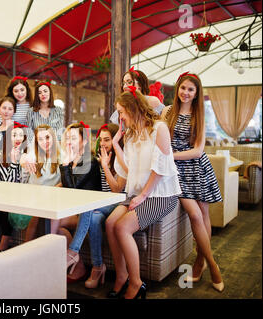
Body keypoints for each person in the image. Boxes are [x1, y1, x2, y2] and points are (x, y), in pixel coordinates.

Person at [105, 87, 181, 299]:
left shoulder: (159, 129)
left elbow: (160, 168)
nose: (120, 117)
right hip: (138, 191)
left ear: (132, 108)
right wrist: (115, 144)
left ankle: (137, 283)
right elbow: (129, 168)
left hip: (160, 194)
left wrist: (143, 196)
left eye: (121, 112)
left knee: (121, 228)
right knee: (110, 223)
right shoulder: (130, 135)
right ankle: (122, 276)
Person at [161, 72, 224, 292]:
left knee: (204, 214)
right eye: (183, 88)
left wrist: (170, 155)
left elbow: (198, 151)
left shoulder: (199, 114)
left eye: (191, 90)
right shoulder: (167, 111)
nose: (186, 93)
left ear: (196, 93)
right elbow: (159, 139)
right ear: (177, 88)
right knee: (195, 214)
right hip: (175, 172)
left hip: (196, 167)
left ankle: (200, 261)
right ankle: (213, 265)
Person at [65, 123, 126, 289]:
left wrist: (105, 166)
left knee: (89, 207)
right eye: (101, 140)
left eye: (108, 139)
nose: (104, 144)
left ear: (116, 140)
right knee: (93, 218)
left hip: (119, 203)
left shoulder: (121, 159)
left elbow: (117, 190)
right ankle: (98, 267)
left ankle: (73, 251)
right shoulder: (99, 159)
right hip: (102, 205)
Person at [59, 122, 102, 280]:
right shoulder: (74, 160)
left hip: (88, 211)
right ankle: (78, 266)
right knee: (56, 228)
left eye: (73, 138)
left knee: (56, 223)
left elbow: (73, 188)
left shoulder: (89, 161)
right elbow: (66, 186)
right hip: (75, 207)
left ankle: (74, 261)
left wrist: (65, 165)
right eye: (67, 138)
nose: (69, 141)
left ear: (84, 141)